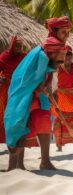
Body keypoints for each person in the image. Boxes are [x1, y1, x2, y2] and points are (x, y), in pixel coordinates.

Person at [5, 36, 67, 170]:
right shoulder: (40, 56)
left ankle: (45, 161)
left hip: (38, 95)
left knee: (44, 122)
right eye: (63, 32)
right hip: (22, 92)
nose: (59, 64)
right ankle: (14, 166)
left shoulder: (50, 52)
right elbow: (27, 79)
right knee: (18, 122)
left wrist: (46, 84)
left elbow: (49, 71)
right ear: (51, 54)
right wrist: (39, 88)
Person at [0, 36, 26, 170]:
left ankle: (20, 164)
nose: (19, 49)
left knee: (21, 124)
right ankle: (12, 165)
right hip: (7, 94)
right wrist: (1, 79)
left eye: (21, 46)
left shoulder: (24, 58)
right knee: (9, 125)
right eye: (16, 46)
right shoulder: (4, 57)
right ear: (11, 45)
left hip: (21, 93)